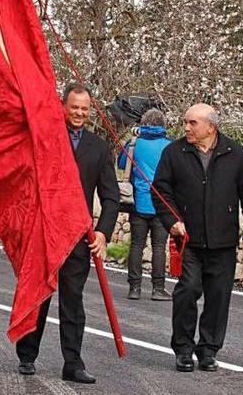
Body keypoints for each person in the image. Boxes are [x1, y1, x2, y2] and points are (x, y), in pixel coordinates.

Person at [15, 83, 120, 384]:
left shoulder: (99, 148)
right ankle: (27, 355)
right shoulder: (44, 138)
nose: (80, 113)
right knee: (39, 296)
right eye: (74, 107)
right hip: (43, 234)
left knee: (73, 302)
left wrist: (102, 233)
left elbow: (111, 196)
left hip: (77, 237)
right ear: (63, 106)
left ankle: (72, 363)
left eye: (85, 109)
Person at [152, 103, 243, 373]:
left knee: (218, 296)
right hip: (189, 240)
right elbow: (160, 191)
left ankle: (208, 350)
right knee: (187, 291)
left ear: (211, 127)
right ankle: (183, 349)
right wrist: (172, 221)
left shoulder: (235, 153)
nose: (187, 127)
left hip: (223, 242)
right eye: (186, 122)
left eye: (193, 123)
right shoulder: (174, 152)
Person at [118, 108, 173, 301]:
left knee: (136, 245)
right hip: (162, 204)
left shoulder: (134, 144)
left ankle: (135, 288)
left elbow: (121, 164)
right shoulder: (169, 146)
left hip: (138, 202)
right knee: (159, 246)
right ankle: (158, 288)